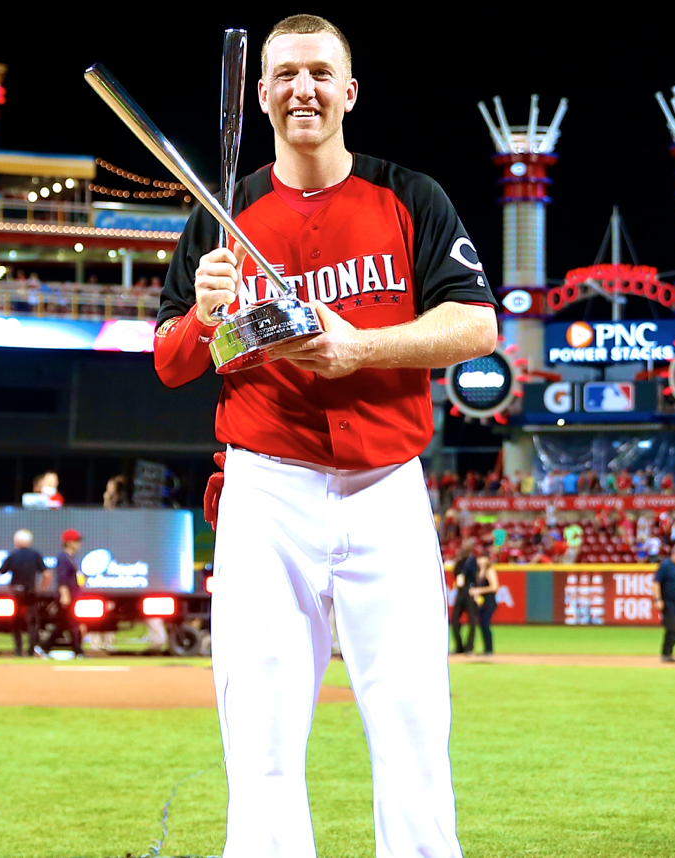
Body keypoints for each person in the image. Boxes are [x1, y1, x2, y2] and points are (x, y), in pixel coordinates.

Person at [153, 15, 496, 856]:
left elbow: (476, 325)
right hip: (267, 490)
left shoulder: (410, 195)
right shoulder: (218, 217)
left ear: (348, 91)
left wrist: (361, 348)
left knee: (414, 726)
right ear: (262, 95)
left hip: (387, 485)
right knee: (262, 736)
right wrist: (206, 312)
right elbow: (170, 362)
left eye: (319, 72)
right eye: (284, 74)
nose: (302, 87)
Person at [0, 529, 47, 657]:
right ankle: (31, 650)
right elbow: (47, 575)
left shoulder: (13, 555)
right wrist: (42, 588)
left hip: (16, 593)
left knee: (16, 622)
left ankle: (18, 650)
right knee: (32, 622)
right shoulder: (35, 554)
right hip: (30, 593)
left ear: (18, 541)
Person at [51, 528, 86, 656]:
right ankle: (78, 652)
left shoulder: (72, 558)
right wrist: (65, 595)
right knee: (71, 623)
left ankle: (42, 648)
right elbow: (61, 579)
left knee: (64, 624)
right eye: (76, 541)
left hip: (73, 596)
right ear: (69, 542)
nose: (79, 544)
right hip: (67, 597)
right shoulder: (63, 557)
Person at [450, 542, 478, 655]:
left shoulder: (472, 561)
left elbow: (474, 575)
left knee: (472, 620)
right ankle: (459, 646)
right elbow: (455, 574)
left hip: (470, 590)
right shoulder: (460, 562)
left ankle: (469, 647)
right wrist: (458, 560)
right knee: (455, 620)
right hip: (460, 591)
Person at [468, 553, 499, 655]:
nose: (481, 561)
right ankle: (486, 649)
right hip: (482, 602)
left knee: (485, 624)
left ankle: (489, 649)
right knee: (482, 624)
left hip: (490, 601)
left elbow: (494, 587)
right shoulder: (479, 572)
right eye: (479, 558)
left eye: (483, 558)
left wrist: (479, 590)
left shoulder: (489, 571)